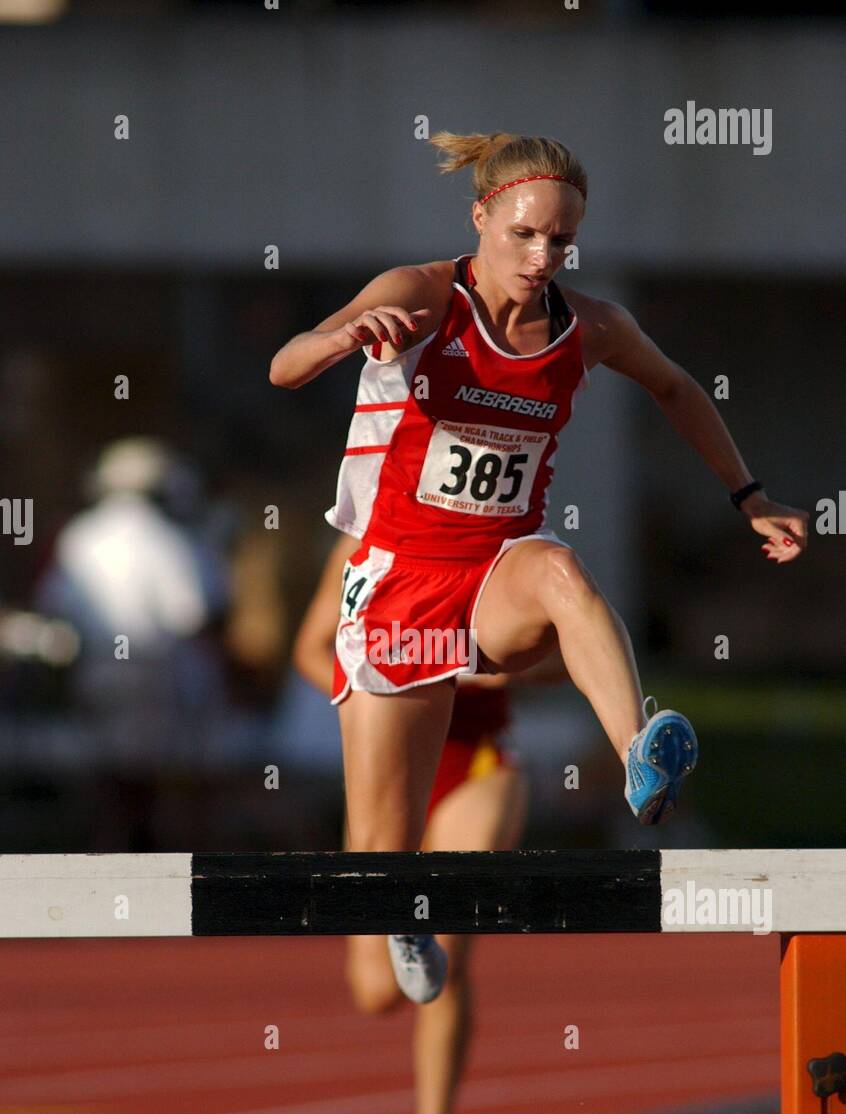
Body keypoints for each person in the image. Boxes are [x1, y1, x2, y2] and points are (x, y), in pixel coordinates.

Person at [269, 130, 808, 1005]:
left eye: (561, 241)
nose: (542, 256)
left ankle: (640, 752)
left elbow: (675, 386)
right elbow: (282, 365)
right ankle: (401, 908)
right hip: (397, 581)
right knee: (376, 858)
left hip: (494, 575)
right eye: (524, 235)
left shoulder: (590, 326)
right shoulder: (419, 293)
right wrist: (341, 339)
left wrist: (748, 495)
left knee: (561, 570)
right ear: (482, 216)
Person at [293, 530, 551, 1114]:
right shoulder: (359, 545)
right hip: (392, 763)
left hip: (477, 762)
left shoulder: (505, 537)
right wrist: (378, 675)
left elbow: (554, 653)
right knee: (377, 991)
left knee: (447, 953)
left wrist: (475, 656)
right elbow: (311, 645)